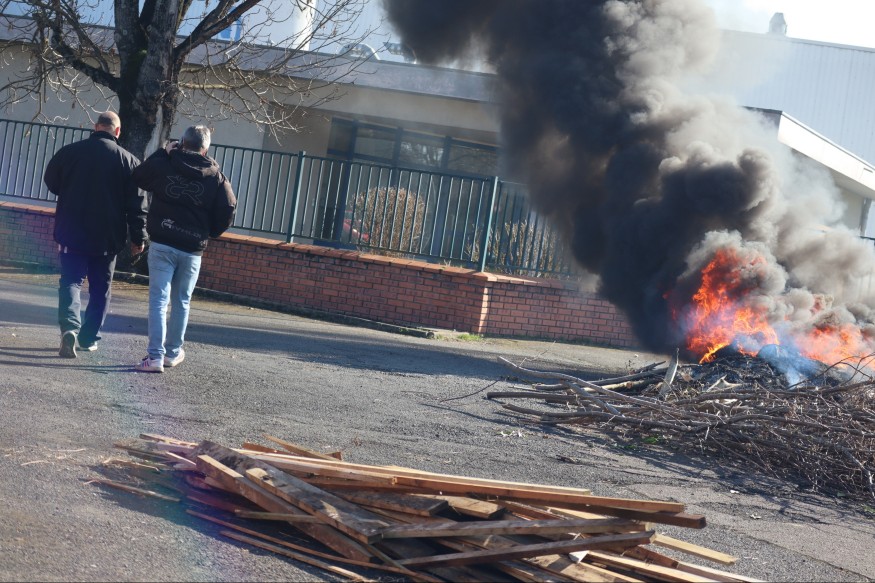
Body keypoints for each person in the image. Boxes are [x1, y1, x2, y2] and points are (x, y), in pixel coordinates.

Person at [132, 125, 236, 373]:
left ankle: (154, 357)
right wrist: (210, 232)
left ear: (181, 143)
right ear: (205, 149)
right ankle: (172, 353)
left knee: (159, 300)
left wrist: (163, 152)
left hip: (163, 242)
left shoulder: (166, 163)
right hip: (192, 248)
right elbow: (228, 208)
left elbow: (139, 176)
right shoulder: (216, 177)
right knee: (182, 301)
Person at [44, 111, 148, 358]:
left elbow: (52, 182)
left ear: (96, 126)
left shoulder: (69, 152)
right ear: (118, 131)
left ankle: (69, 328)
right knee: (101, 289)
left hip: (72, 230)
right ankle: (88, 337)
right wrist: (139, 237)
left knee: (71, 281)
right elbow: (137, 205)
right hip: (107, 236)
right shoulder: (129, 161)